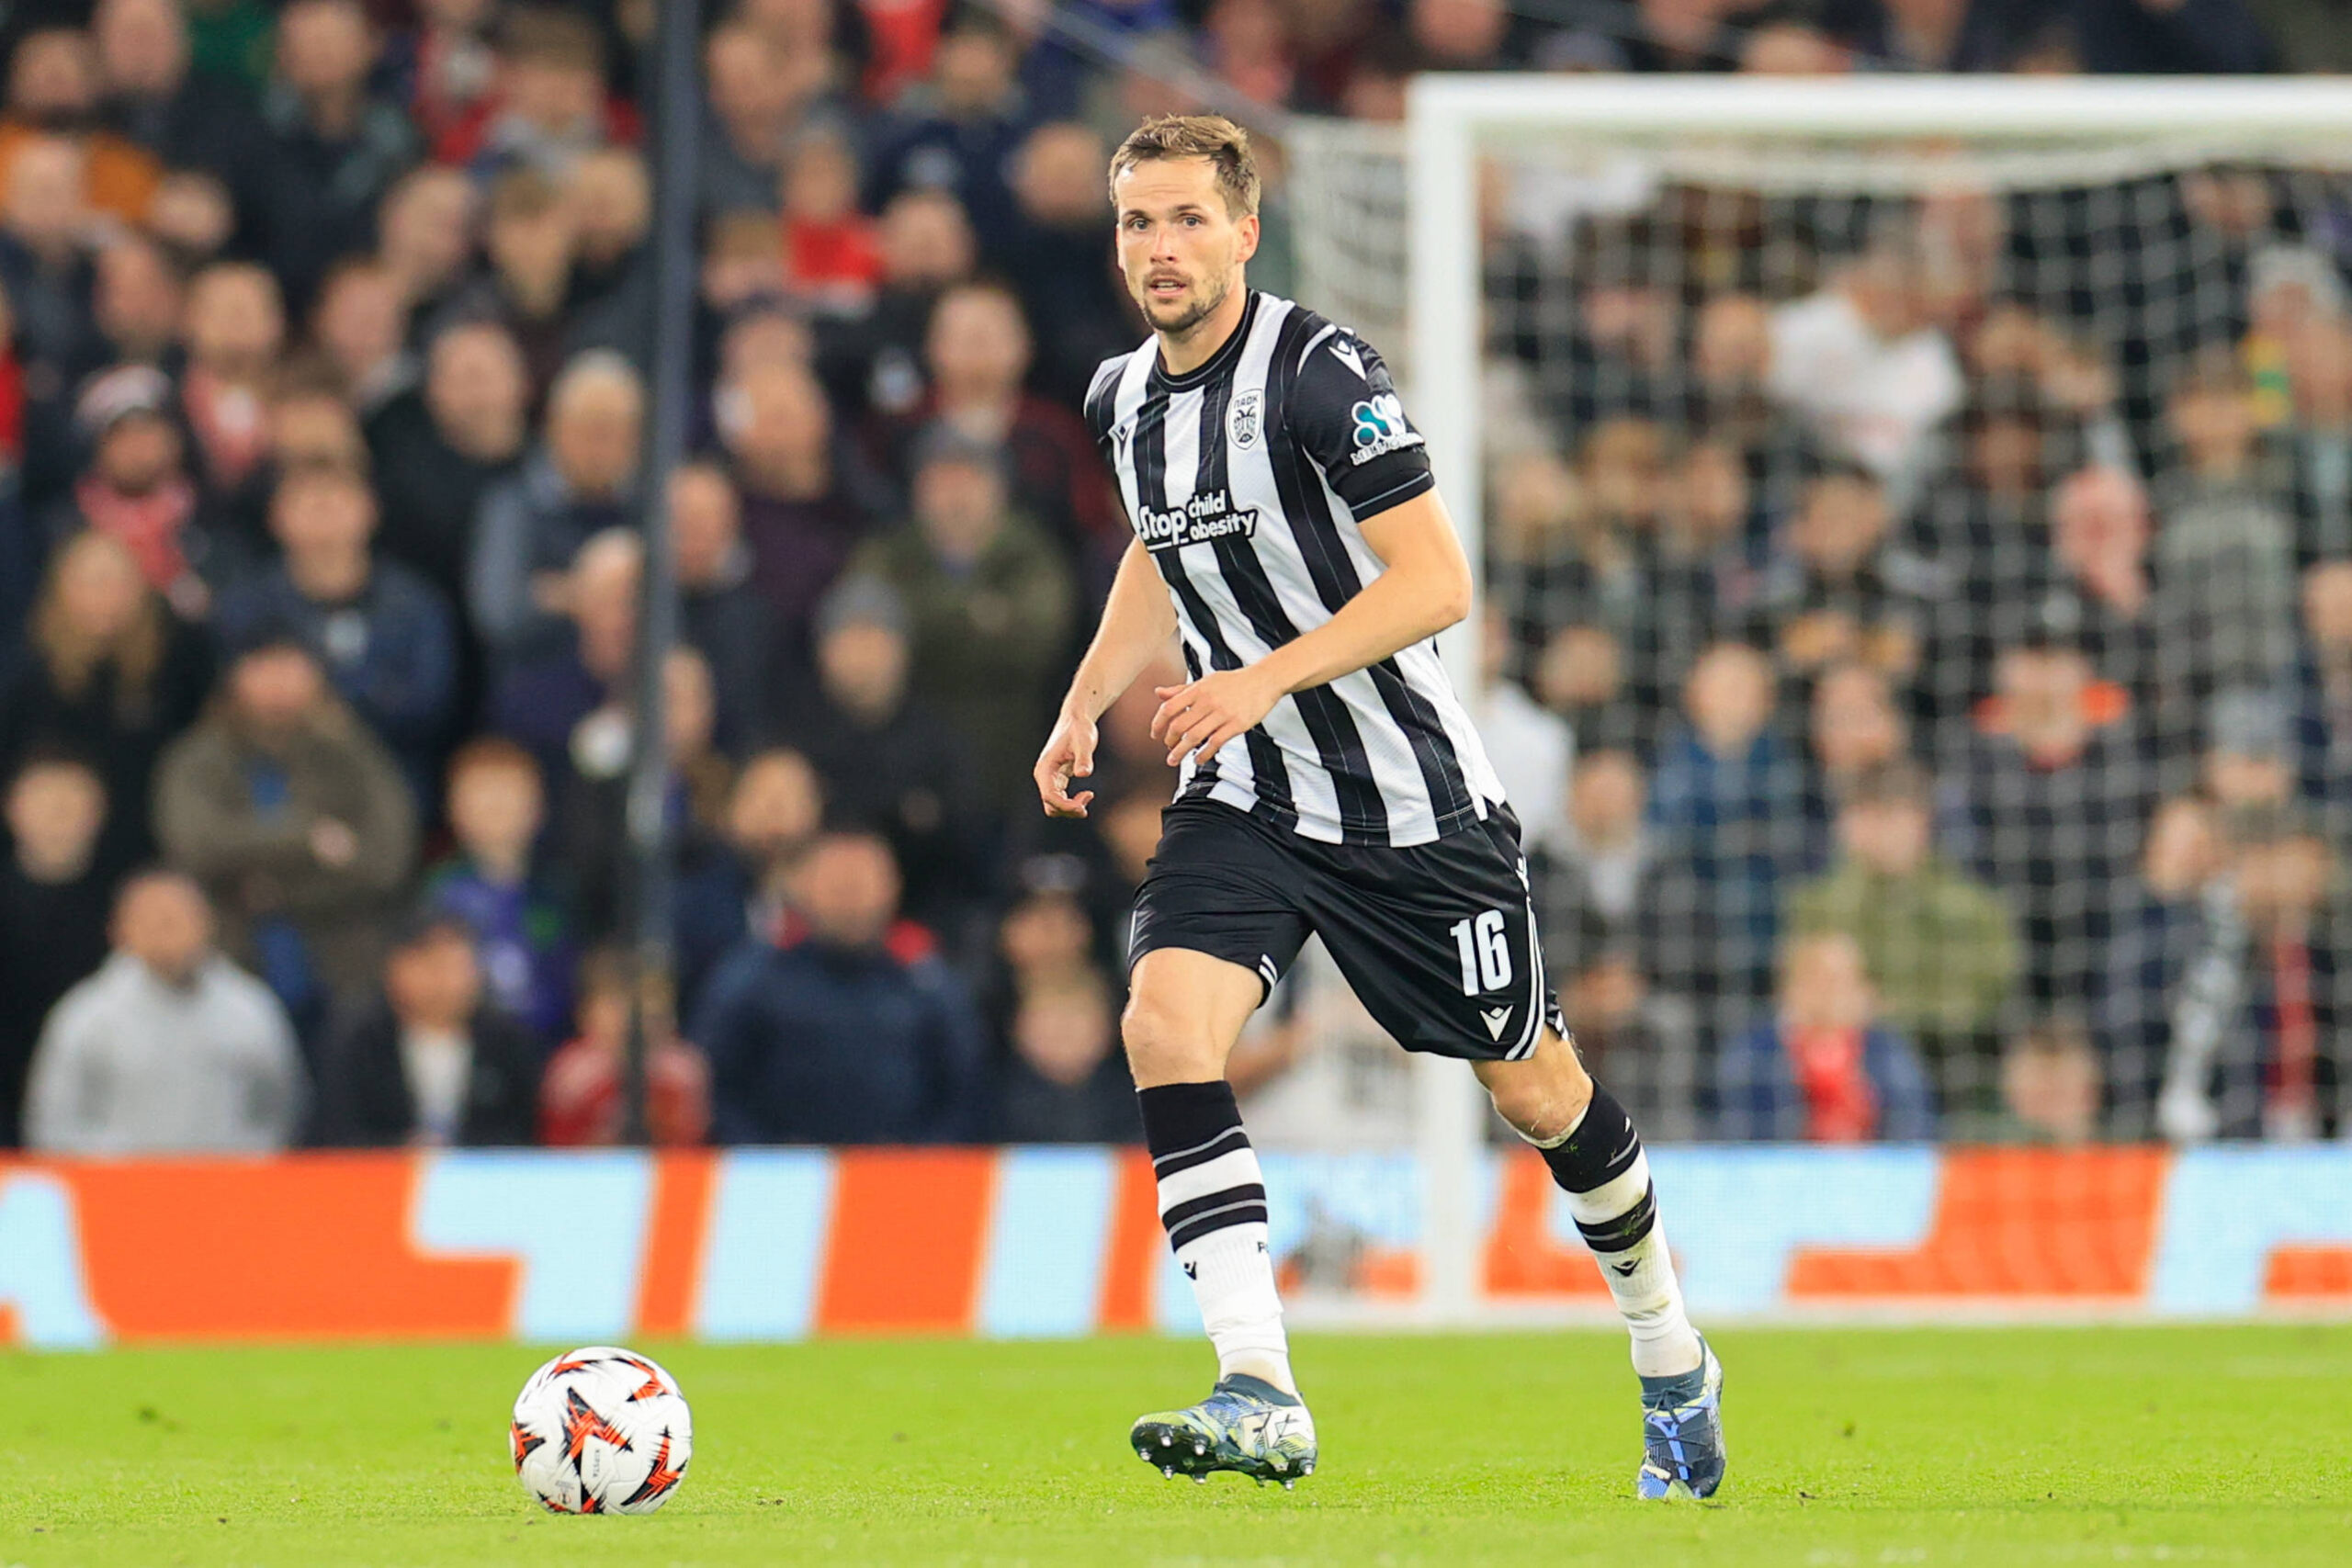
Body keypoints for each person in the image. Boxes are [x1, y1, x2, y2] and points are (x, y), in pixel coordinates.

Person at [1032, 117, 1721, 1495]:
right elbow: (1158, 558)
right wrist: (1083, 697)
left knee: (1534, 1089)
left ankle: (1669, 1343)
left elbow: (1436, 582)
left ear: (1244, 230)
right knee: (1165, 1020)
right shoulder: (1121, 397)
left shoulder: (1319, 372)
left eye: (1183, 220)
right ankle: (1259, 1381)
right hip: (1248, 796)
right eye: (1135, 223)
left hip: (1409, 805)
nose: (1158, 249)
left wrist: (1260, 679)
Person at [153, 632, 418, 1030]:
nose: (277, 681)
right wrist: (306, 838)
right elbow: (196, 848)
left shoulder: (355, 753)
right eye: (262, 665)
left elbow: (386, 861)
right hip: (226, 970)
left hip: (345, 974)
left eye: (291, 665)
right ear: (234, 676)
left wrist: (281, 893)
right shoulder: (197, 759)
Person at [691, 827, 987, 1145]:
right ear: (803, 887)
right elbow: (714, 1085)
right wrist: (766, 1155)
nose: (850, 897)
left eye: (862, 882)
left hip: (905, 1179)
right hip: (777, 1177)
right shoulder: (752, 977)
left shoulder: (928, 981)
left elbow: (967, 1091)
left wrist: (918, 1156)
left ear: (893, 887)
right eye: (836, 883)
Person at [22, 870, 304, 1153]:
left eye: (176, 918)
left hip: (229, 1186)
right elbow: (53, 1121)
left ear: (208, 922)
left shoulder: (250, 1009)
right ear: (119, 930)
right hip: (117, 1189)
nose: (164, 931)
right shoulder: (86, 1015)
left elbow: (283, 1108)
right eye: (150, 919)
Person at [308, 908, 540, 1146]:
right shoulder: (357, 1039)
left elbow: (525, 1131)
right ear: (397, 968)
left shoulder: (507, 1042)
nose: (447, 982)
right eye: (433, 966)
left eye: (457, 965)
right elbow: (337, 1129)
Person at [423, 737, 575, 1047]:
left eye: (510, 794)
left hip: (551, 1044)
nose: (496, 807)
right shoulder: (442, 891)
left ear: (538, 808)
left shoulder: (558, 889)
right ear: (454, 809)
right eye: (481, 794)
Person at [1716, 932, 1936, 1143]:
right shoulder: (1753, 1052)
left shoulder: (1885, 1048)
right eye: (1817, 978)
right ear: (1789, 986)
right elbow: (1737, 1133)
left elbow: (1915, 1128)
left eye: (1841, 979)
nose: (1830, 992)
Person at [0, 751, 115, 1145]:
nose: (58, 811)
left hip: (99, 1107)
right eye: (45, 798)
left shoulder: (125, 904)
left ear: (98, 811)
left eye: (72, 799)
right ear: (13, 808)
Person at [539, 945, 711, 1146]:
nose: (637, 1018)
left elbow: (693, 1148)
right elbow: (556, 1153)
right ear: (585, 1013)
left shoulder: (683, 1072)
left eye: (654, 1000)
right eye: (615, 1004)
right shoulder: (571, 1076)